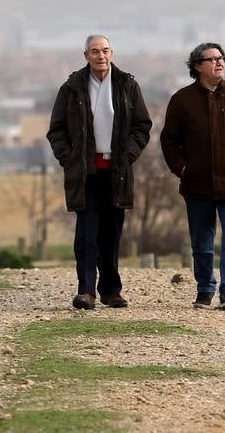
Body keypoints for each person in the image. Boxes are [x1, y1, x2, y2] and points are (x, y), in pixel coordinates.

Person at [45, 34, 153, 309]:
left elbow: (142, 126)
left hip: (117, 172)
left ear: (112, 53)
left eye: (105, 51)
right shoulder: (72, 88)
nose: (100, 56)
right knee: (87, 234)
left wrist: (128, 156)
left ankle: (110, 290)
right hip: (86, 173)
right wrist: (69, 159)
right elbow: (56, 130)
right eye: (95, 51)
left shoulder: (127, 85)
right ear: (86, 56)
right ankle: (86, 291)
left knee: (112, 233)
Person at [160, 42, 225, 311]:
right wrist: (182, 169)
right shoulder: (182, 100)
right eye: (213, 59)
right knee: (202, 243)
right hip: (197, 187)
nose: (220, 63)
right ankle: (204, 289)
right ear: (197, 66)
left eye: (222, 58)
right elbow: (169, 141)